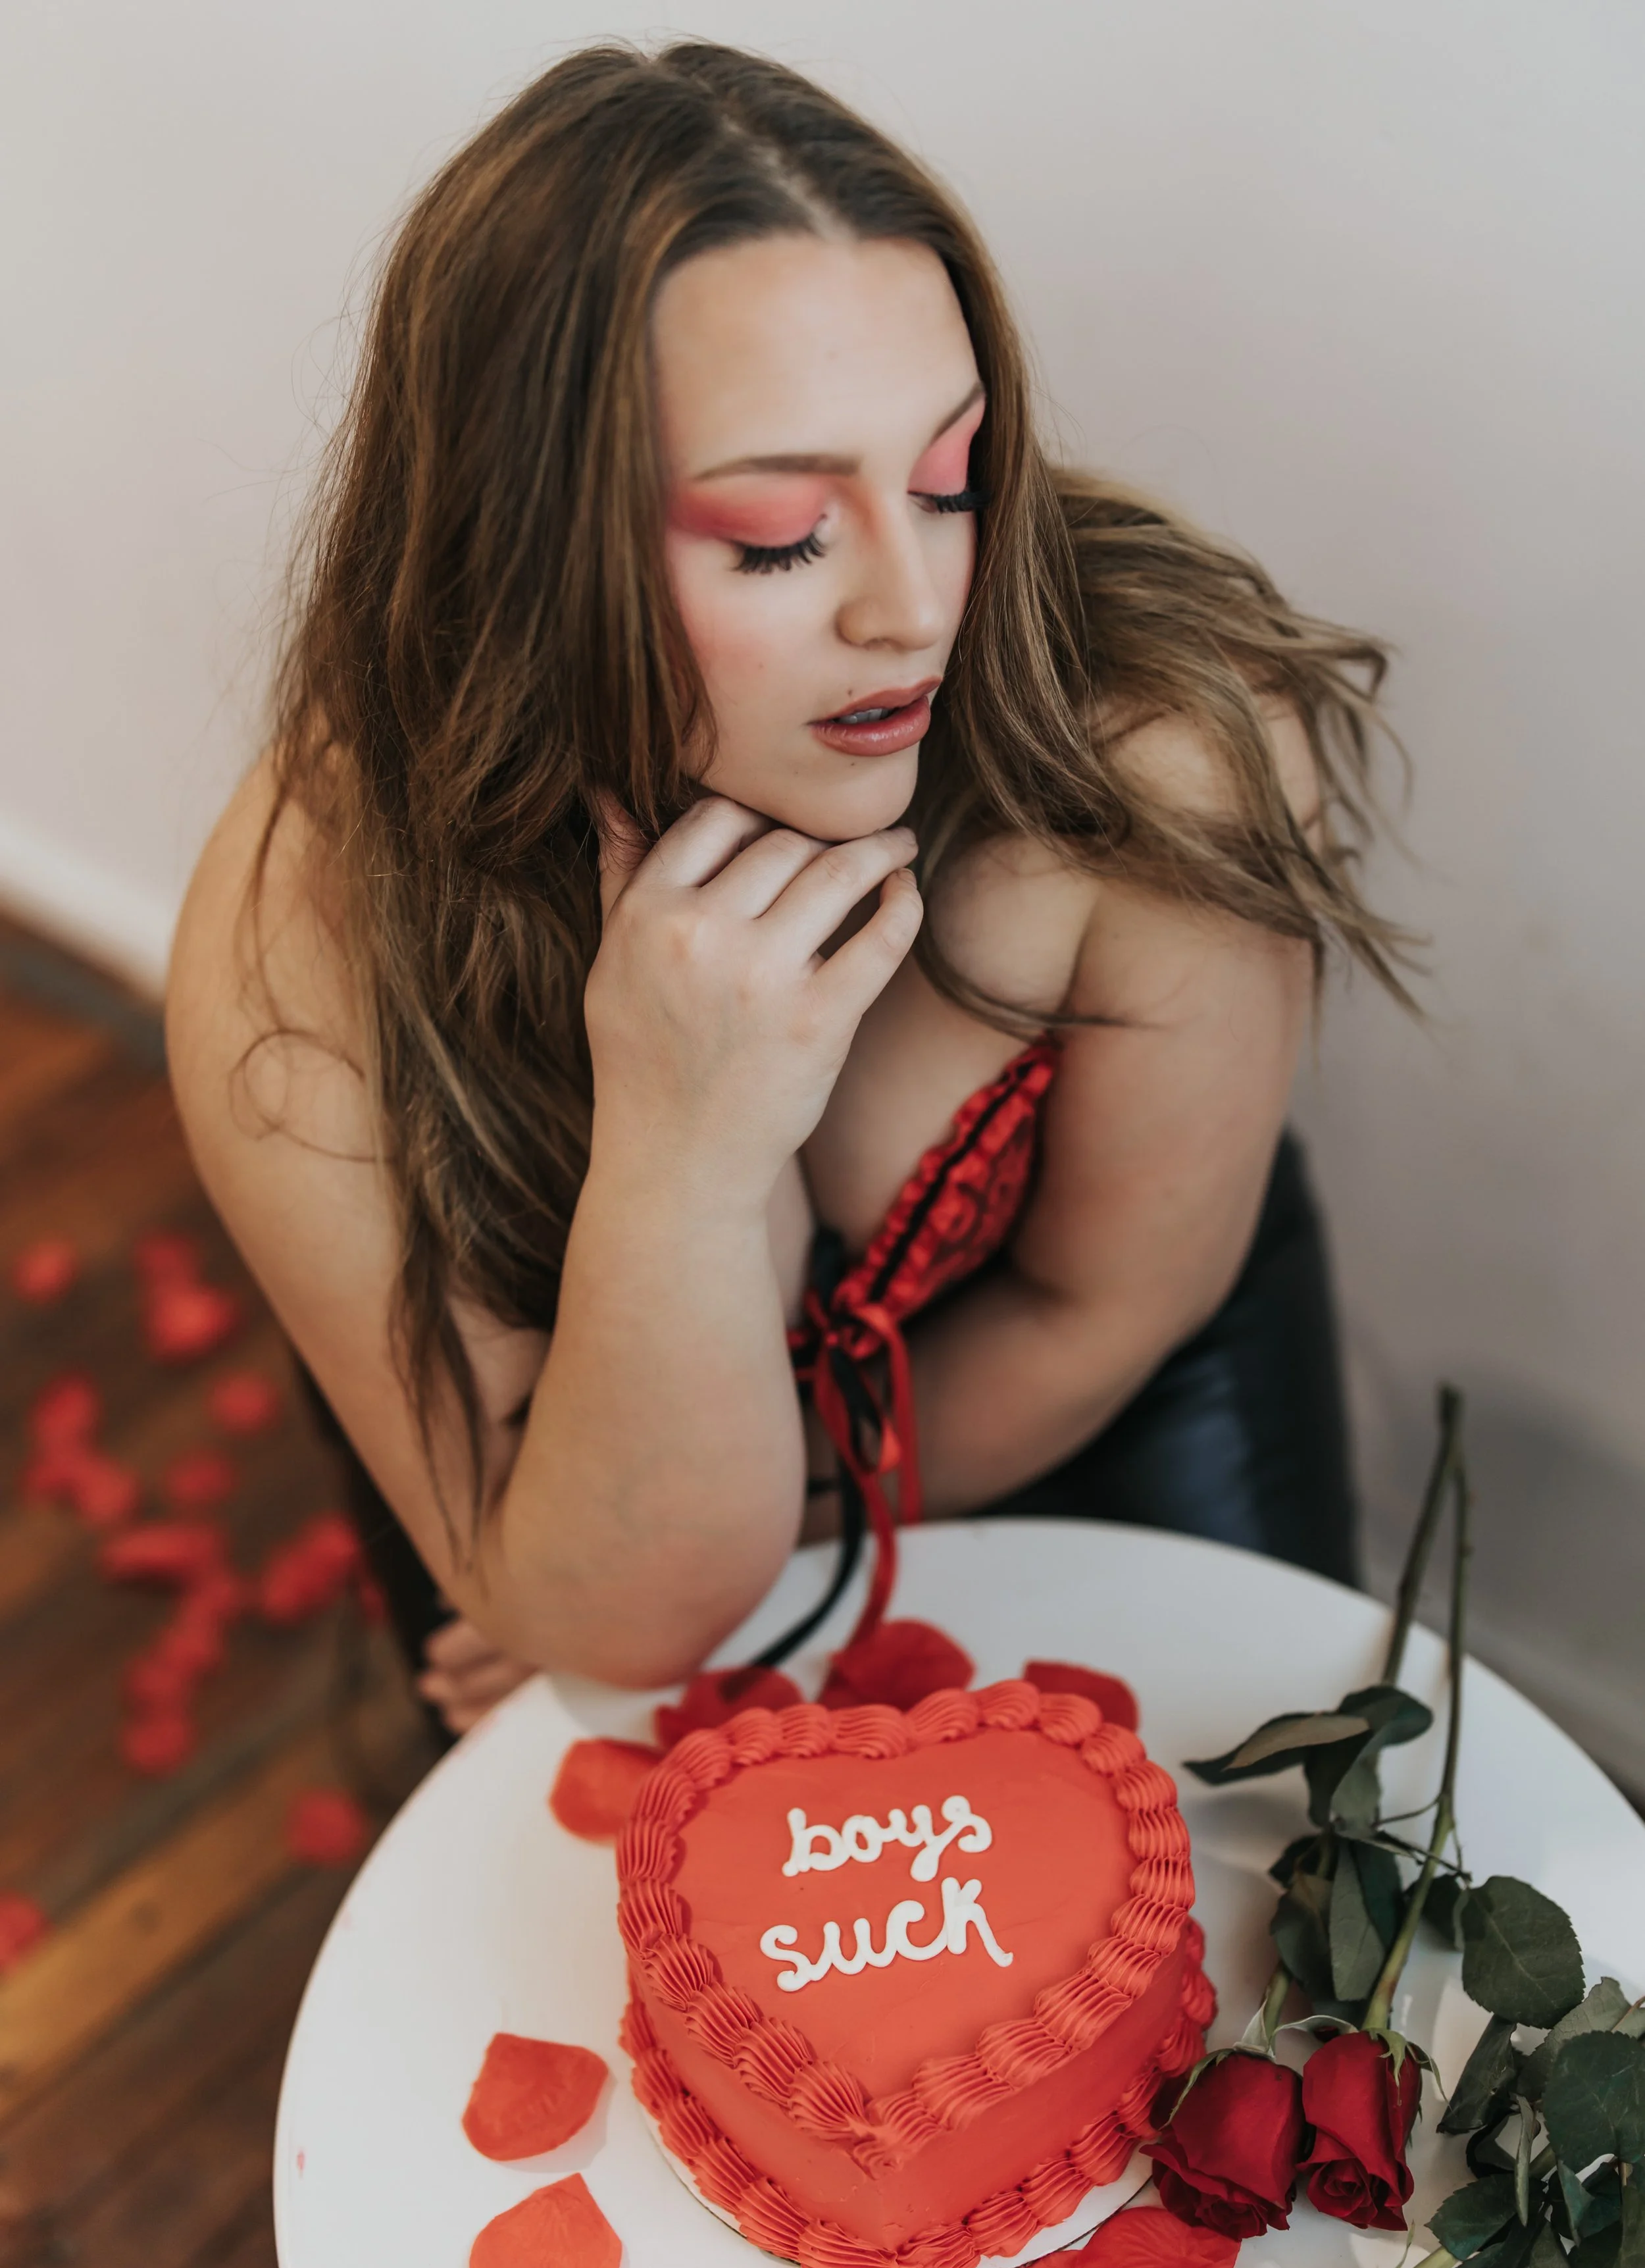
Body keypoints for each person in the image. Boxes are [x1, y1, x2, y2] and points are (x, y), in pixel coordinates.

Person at [167, 41, 1406, 1739]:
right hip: (596, 1487)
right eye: (776, 535)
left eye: (949, 480)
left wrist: (703, 1551)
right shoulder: (304, 930)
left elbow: (1103, 1305)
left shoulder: (1161, 746)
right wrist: (681, 1160)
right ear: (527, 549)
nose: (914, 606)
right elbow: (596, 1592)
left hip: (1098, 1386)